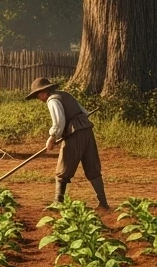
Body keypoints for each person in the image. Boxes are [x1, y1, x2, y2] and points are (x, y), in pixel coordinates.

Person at [25, 77, 107, 209]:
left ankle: (58, 202)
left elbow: (59, 121)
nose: (39, 99)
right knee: (92, 167)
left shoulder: (53, 100)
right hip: (87, 131)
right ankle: (103, 203)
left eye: (37, 95)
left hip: (75, 134)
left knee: (63, 168)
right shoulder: (66, 95)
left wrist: (52, 137)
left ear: (43, 92)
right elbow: (84, 112)